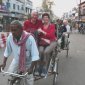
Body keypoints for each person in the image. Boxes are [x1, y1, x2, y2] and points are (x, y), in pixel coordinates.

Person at [0, 20, 39, 85]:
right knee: (10, 76)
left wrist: (31, 68)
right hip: (16, 60)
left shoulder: (29, 38)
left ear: (21, 29)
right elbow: (7, 51)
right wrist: (4, 63)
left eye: (15, 30)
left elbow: (35, 55)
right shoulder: (10, 37)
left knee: (29, 81)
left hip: (28, 63)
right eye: (11, 30)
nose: (13, 32)